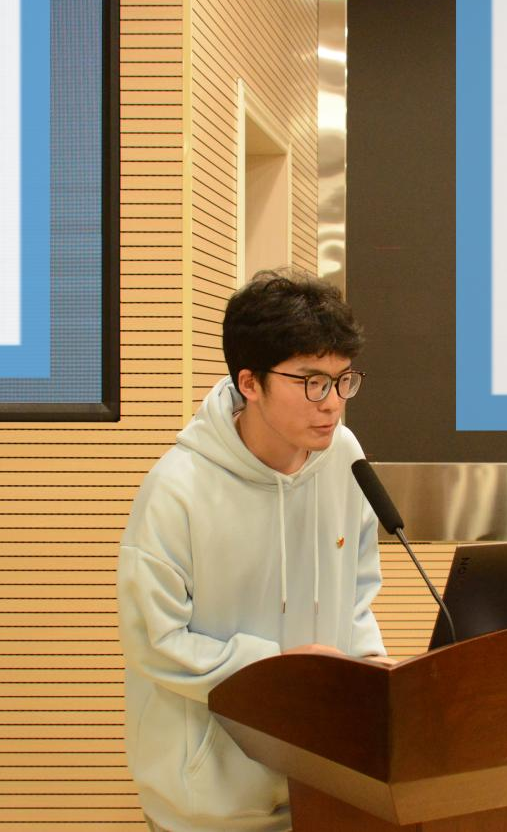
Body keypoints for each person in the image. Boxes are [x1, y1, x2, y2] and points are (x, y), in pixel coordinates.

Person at [118, 269, 389, 832]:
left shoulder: (344, 456)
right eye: (311, 382)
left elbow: (357, 593)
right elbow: (157, 641)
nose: (332, 404)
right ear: (250, 382)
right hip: (211, 803)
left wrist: (368, 675)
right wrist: (279, 671)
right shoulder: (177, 489)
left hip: (322, 781)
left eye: (343, 380)